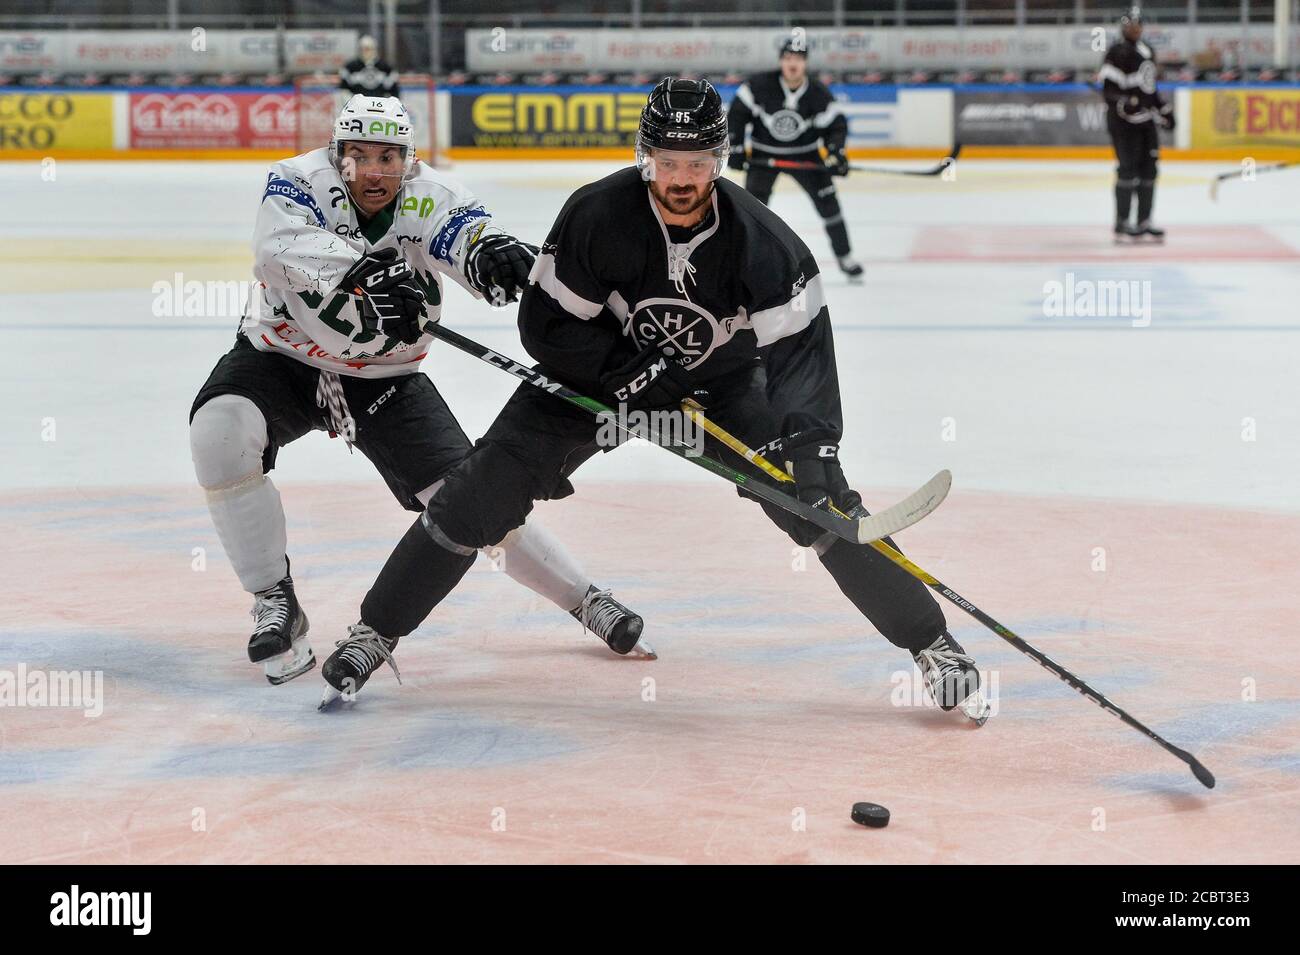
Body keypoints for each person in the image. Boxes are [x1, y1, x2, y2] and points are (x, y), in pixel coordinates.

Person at [321, 79, 988, 725]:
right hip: (596, 383)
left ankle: (932, 641)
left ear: (718, 163)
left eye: (696, 163)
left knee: (817, 503)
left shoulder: (767, 244)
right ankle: (376, 630)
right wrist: (621, 372)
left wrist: (811, 454)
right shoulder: (597, 215)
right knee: (480, 491)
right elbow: (546, 327)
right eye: (667, 161)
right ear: (647, 158)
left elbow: (801, 366)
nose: (681, 178)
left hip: (719, 392)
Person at [189, 94, 649, 688]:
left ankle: (585, 599)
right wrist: (363, 270)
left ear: (409, 160)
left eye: (389, 157)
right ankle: (275, 599)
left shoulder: (427, 192)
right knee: (219, 431)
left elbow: (458, 229)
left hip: (384, 378)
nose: (374, 171)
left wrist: (488, 256)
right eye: (358, 157)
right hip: (282, 358)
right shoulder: (296, 180)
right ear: (337, 155)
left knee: (473, 498)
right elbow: (277, 247)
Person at [726, 35, 864, 279]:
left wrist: (835, 152)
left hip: (806, 157)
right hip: (764, 156)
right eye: (788, 58)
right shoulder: (758, 86)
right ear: (781, 61)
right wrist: (735, 147)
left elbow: (835, 126)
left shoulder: (818, 93)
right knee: (752, 212)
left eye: (798, 59)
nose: (793, 63)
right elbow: (737, 114)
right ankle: (742, 259)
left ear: (805, 63)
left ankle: (845, 257)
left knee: (829, 206)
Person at [1100, 6, 1173, 240]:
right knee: (1128, 170)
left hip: (1146, 122)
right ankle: (1122, 223)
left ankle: (1144, 221)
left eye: (1138, 23)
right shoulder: (1116, 52)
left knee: (1149, 170)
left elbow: (1150, 91)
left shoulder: (1147, 50)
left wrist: (1164, 111)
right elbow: (1109, 92)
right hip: (1123, 124)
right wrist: (1125, 102)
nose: (1135, 28)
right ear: (1123, 27)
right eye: (1130, 24)